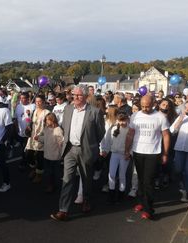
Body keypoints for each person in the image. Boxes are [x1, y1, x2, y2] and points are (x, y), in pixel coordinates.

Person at [50, 85, 105, 221]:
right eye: (74, 95)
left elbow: (100, 132)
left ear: (86, 97)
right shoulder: (68, 109)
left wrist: (90, 144)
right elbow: (65, 127)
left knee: (86, 179)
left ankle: (86, 200)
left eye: (79, 95)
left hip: (86, 150)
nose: (75, 97)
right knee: (67, 179)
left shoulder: (95, 112)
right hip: (69, 149)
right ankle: (63, 210)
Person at [124, 95, 170, 220]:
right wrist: (126, 149)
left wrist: (165, 153)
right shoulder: (135, 116)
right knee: (140, 179)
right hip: (138, 151)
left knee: (148, 181)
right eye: (143, 106)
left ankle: (149, 209)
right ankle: (140, 201)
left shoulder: (160, 117)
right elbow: (130, 133)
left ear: (153, 104)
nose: (145, 108)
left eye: (147, 106)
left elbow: (166, 135)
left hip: (153, 153)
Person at [101, 113, 130, 203]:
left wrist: (129, 153)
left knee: (122, 175)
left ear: (127, 120)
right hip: (114, 154)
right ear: (117, 120)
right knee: (112, 174)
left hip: (124, 154)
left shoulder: (130, 129)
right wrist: (105, 150)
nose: (121, 123)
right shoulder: (113, 128)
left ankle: (121, 192)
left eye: (123, 120)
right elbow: (108, 140)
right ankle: (111, 192)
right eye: (120, 120)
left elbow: (133, 142)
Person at [25, 95, 50, 183]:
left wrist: (42, 136)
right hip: (32, 136)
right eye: (36, 102)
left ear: (43, 102)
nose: (38, 103)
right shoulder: (34, 111)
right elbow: (31, 122)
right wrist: (28, 127)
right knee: (28, 154)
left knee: (40, 157)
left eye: (40, 101)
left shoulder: (47, 112)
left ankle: (39, 174)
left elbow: (49, 126)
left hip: (41, 136)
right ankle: (33, 168)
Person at [42, 113, 64, 192]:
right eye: (46, 119)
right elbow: (45, 138)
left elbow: (61, 142)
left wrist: (62, 154)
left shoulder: (58, 129)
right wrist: (38, 138)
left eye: (48, 119)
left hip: (55, 155)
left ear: (53, 120)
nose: (46, 121)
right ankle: (50, 185)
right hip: (47, 154)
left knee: (53, 172)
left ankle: (53, 186)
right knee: (48, 171)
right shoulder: (46, 128)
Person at [15, 92, 35, 170]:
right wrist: (16, 128)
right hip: (21, 132)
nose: (23, 100)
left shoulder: (33, 106)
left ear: (28, 98)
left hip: (30, 132)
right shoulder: (18, 107)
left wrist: (31, 127)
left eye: (24, 98)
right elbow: (16, 118)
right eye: (21, 98)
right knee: (23, 148)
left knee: (27, 148)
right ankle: (29, 161)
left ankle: (25, 162)